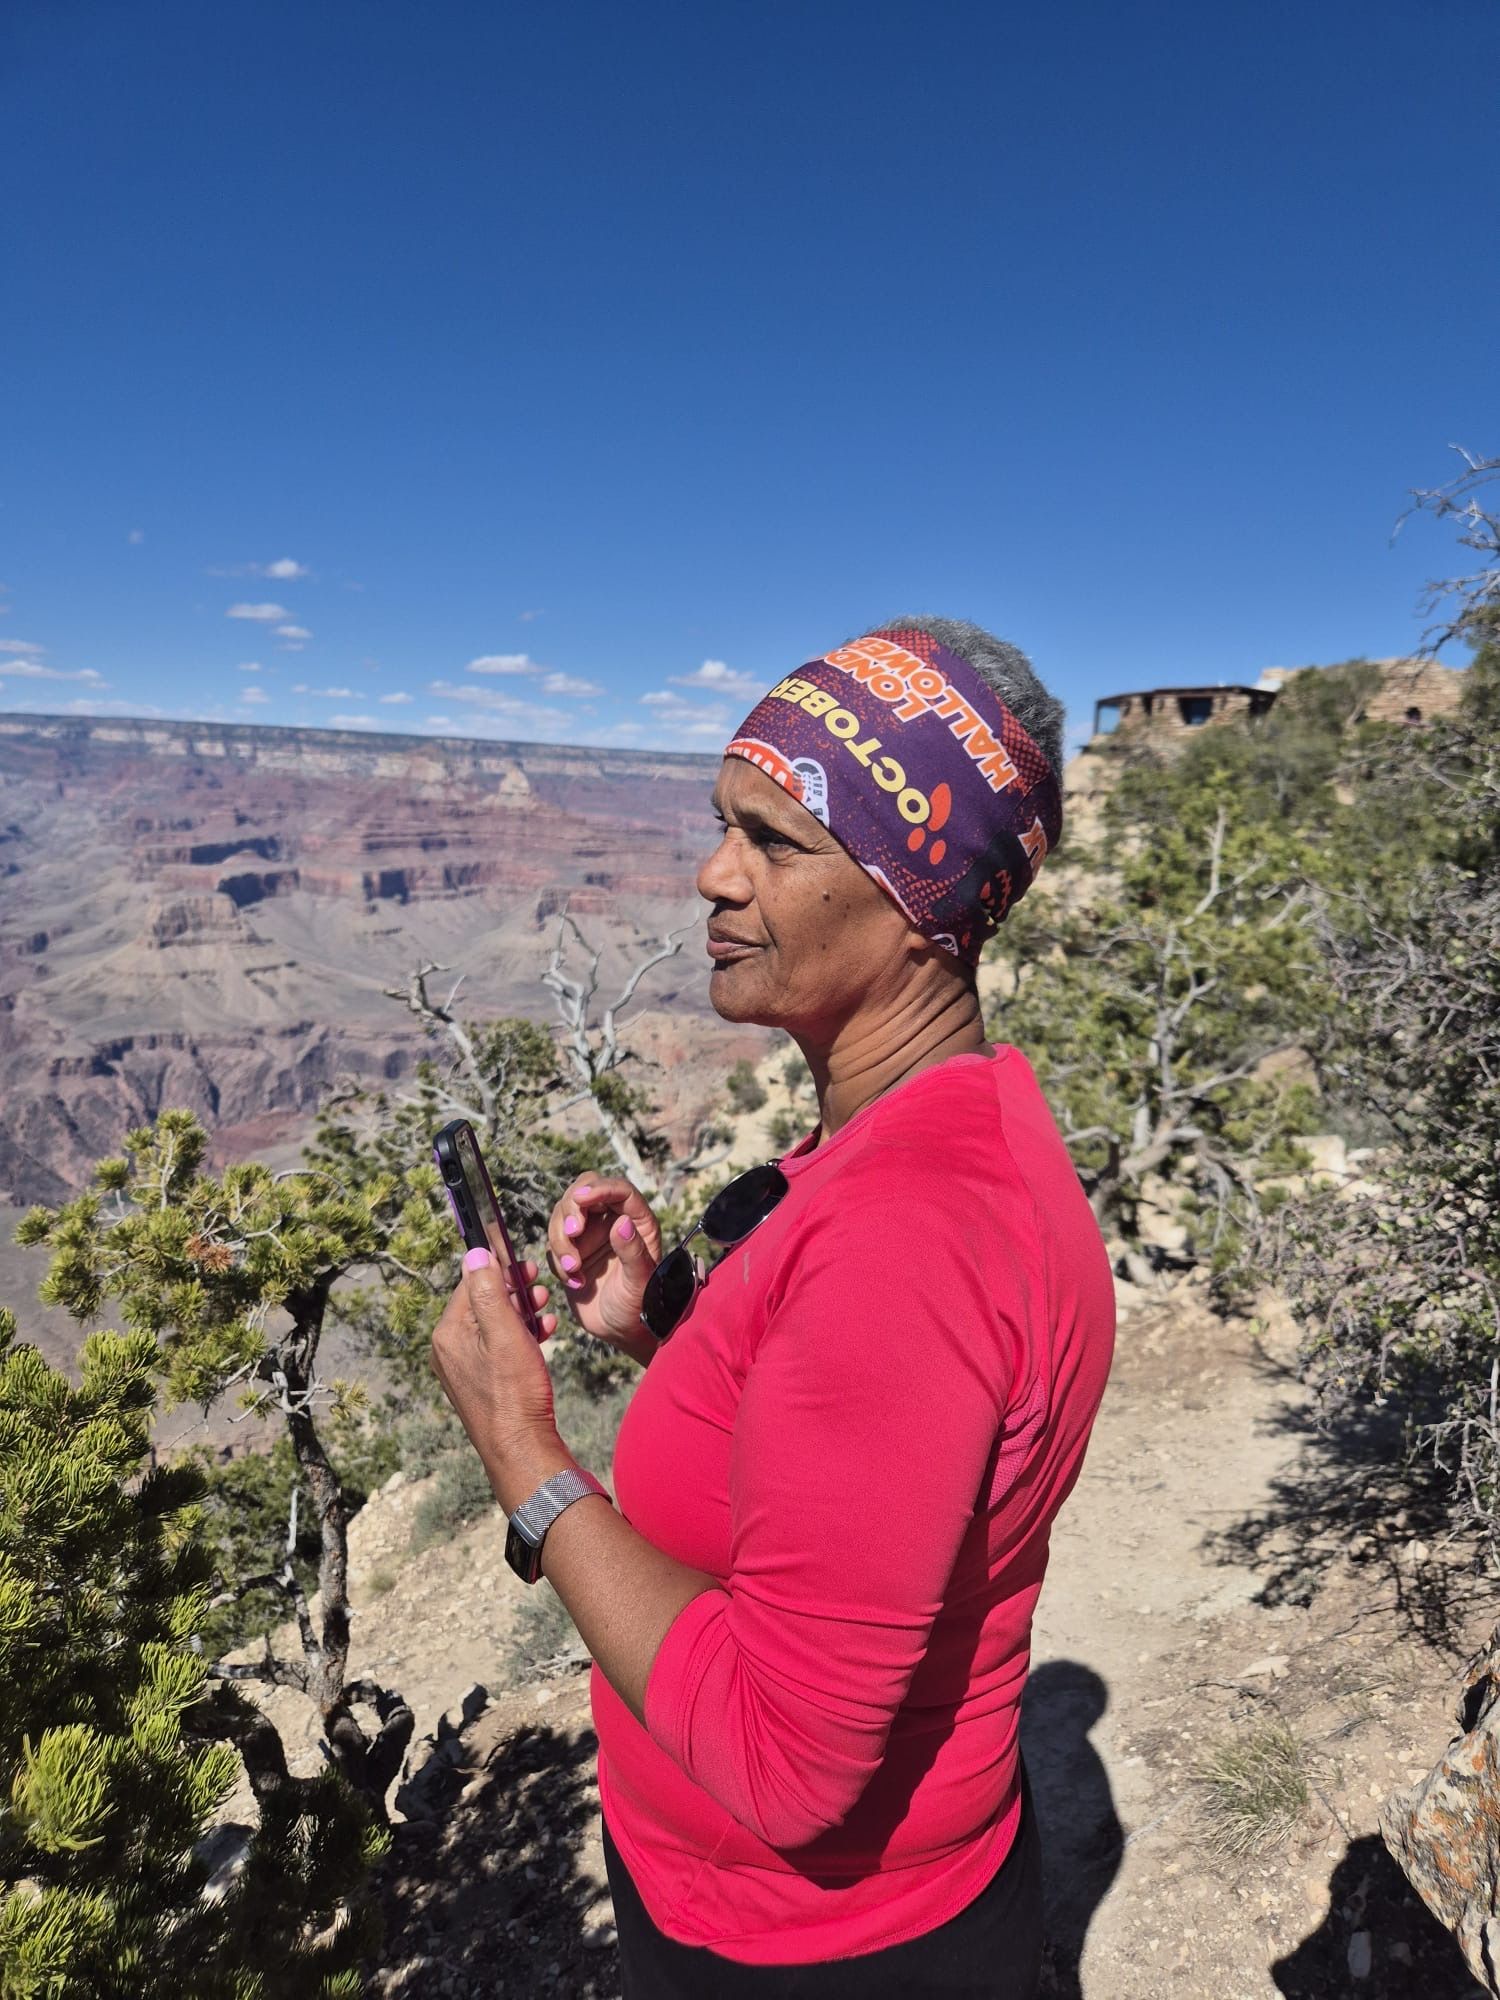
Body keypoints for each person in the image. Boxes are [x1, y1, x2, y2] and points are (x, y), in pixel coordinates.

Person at [431, 616, 1116, 1997]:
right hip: (859, 1904)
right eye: (720, 825)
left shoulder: (902, 1240)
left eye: (775, 841)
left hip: (812, 1944)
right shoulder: (949, 1139)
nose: (711, 874)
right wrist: (672, 1320)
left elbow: (789, 1764)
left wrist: (525, 1457)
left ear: (926, 897)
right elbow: (863, 1459)